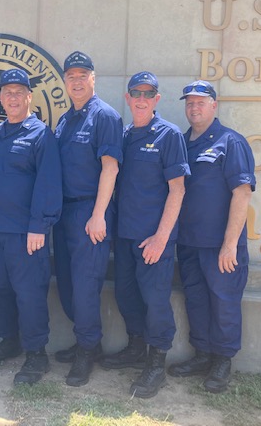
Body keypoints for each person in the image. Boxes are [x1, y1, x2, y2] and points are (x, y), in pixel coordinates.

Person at [101, 72, 190, 398]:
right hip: (124, 237)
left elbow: (178, 190)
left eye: (148, 93)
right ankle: (136, 347)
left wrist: (161, 237)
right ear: (127, 98)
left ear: (156, 99)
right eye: (135, 93)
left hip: (153, 240)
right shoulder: (123, 135)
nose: (141, 98)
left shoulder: (169, 135)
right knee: (126, 296)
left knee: (155, 302)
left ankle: (156, 363)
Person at [168, 80, 256, 394]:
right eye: (189, 102)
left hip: (220, 245)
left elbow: (242, 194)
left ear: (213, 105)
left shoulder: (230, 142)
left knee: (224, 302)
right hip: (188, 242)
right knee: (197, 300)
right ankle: (202, 354)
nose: (194, 107)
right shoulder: (179, 142)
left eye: (200, 102)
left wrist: (230, 244)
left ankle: (222, 360)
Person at [0, 68, 62, 386]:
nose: (12, 97)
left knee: (29, 294)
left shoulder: (41, 134)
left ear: (29, 97)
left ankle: (36, 353)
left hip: (25, 233)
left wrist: (39, 226)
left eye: (18, 92)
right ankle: (9, 339)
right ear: (1, 98)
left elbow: (49, 183)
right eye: (7, 92)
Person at [53, 51, 123, 387]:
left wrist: (98, 215)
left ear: (93, 78)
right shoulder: (65, 119)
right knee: (67, 283)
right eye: (71, 76)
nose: (77, 81)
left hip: (89, 212)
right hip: (63, 212)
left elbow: (110, 167)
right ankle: (85, 340)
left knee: (84, 285)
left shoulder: (105, 116)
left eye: (83, 75)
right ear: (64, 81)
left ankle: (88, 349)